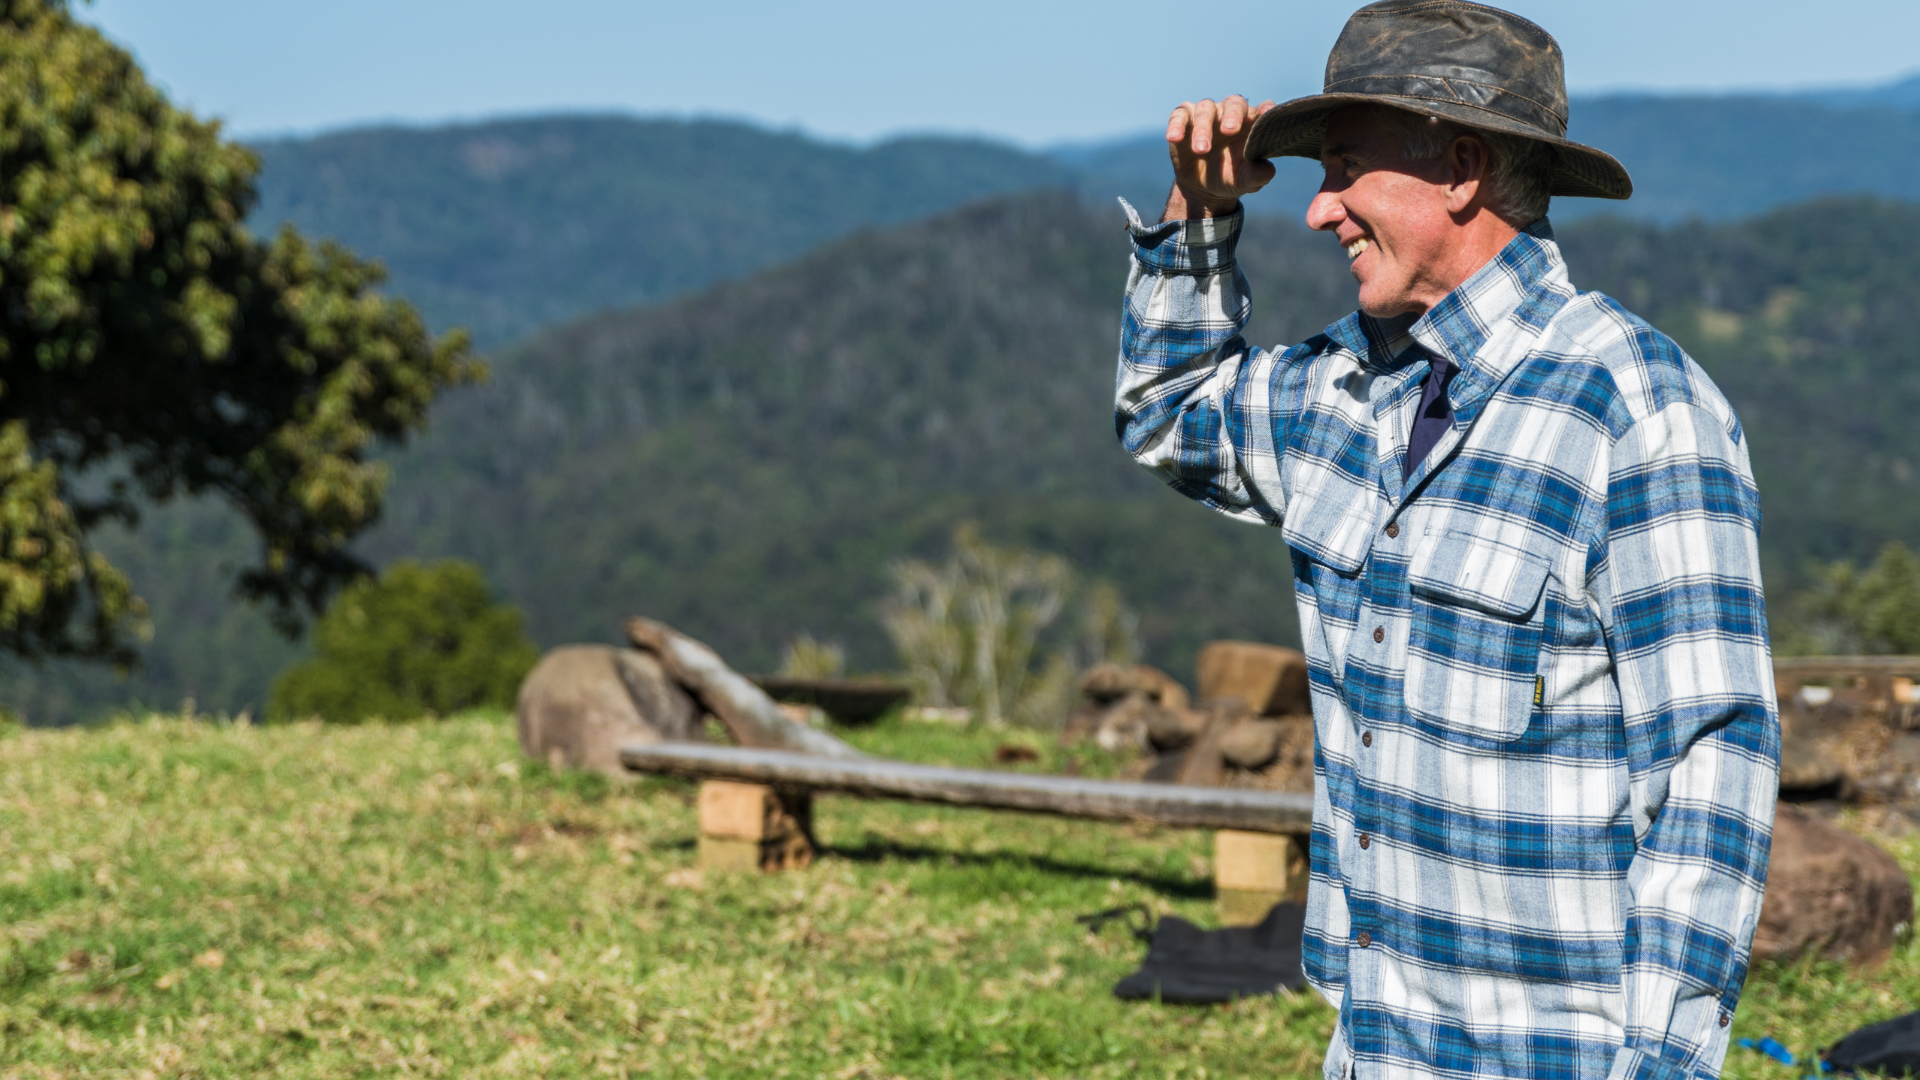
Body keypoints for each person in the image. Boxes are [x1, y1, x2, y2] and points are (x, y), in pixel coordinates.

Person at [1113, 4, 1781, 1079]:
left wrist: (1665, 1062)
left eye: (1342, 170)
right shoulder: (1335, 390)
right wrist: (1197, 218)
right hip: (1374, 1047)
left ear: (1461, 169)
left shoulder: (1638, 410)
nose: (1317, 210)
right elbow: (1166, 413)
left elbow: (1710, 768)